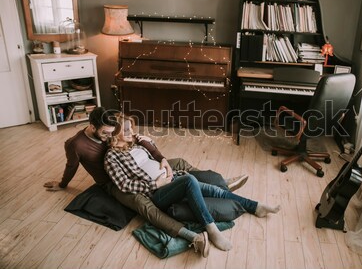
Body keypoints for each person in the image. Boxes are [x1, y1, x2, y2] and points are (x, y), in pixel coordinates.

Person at [43, 107, 248, 258]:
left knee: (179, 163)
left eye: (111, 131)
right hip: (115, 183)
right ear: (92, 127)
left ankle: (221, 184)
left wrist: (146, 143)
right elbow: (71, 167)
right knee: (143, 205)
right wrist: (62, 184)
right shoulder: (75, 144)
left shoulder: (112, 132)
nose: (109, 136)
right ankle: (192, 237)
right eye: (106, 132)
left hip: (129, 162)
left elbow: (125, 139)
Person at [105, 114, 281, 253]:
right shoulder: (111, 157)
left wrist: (147, 141)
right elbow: (125, 184)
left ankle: (256, 207)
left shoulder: (136, 143)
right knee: (190, 180)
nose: (131, 131)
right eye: (126, 129)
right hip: (157, 192)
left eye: (131, 127)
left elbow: (154, 155)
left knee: (214, 190)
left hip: (172, 179)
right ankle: (211, 228)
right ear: (116, 132)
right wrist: (156, 184)